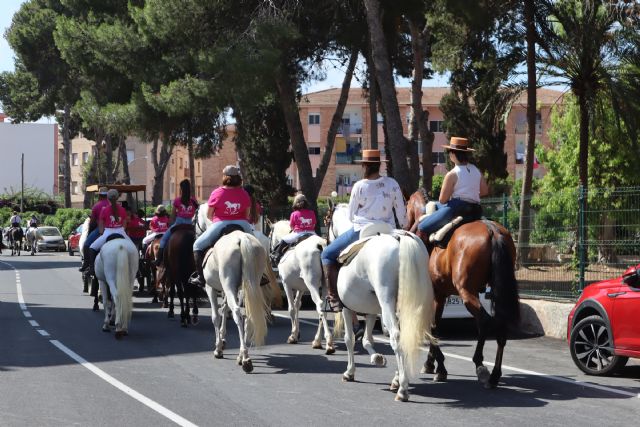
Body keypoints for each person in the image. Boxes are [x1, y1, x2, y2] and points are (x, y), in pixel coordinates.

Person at [321, 149, 406, 310]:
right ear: (379, 165)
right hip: (388, 230)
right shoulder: (392, 183)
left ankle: (333, 298)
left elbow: (351, 216)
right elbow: (402, 215)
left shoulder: (359, 186)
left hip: (362, 229)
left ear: (365, 166)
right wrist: (403, 226)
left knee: (326, 254)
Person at [190, 165, 253, 287]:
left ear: (224, 177)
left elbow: (209, 215)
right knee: (256, 246)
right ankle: (260, 276)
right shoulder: (244, 193)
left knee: (197, 245)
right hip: (242, 223)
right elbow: (247, 214)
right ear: (238, 178)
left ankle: (200, 277)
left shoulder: (217, 192)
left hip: (220, 223)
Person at [417, 136, 488, 239]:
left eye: (449, 151)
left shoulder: (452, 174)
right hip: (476, 210)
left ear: (453, 154)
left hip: (457, 208)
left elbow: (442, 200)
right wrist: (470, 194)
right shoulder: (476, 170)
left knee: (422, 226)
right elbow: (485, 191)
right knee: (432, 206)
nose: (449, 154)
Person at [155, 179, 199, 266]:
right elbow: (198, 213)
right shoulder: (194, 201)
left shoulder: (177, 200)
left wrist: (170, 224)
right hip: (191, 224)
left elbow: (173, 215)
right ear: (189, 189)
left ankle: (159, 260)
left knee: (164, 239)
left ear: (181, 189)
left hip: (179, 223)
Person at [88, 189, 130, 274]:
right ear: (117, 198)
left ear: (108, 198)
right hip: (121, 232)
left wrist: (100, 233)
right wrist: (122, 229)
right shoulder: (122, 209)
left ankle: (92, 269)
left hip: (108, 232)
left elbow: (101, 222)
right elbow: (125, 221)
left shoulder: (105, 209)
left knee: (92, 248)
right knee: (133, 250)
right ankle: (137, 271)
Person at [270, 193, 317, 266]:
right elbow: (314, 224)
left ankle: (276, 256)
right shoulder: (312, 212)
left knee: (283, 240)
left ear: (296, 203)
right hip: (312, 234)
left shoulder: (294, 214)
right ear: (306, 203)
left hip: (298, 234)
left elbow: (292, 227)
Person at [79, 187, 110, 272]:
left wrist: (90, 231)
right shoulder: (115, 205)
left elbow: (92, 222)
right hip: (116, 228)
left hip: (101, 229)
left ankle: (88, 265)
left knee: (86, 245)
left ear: (99, 196)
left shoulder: (97, 206)